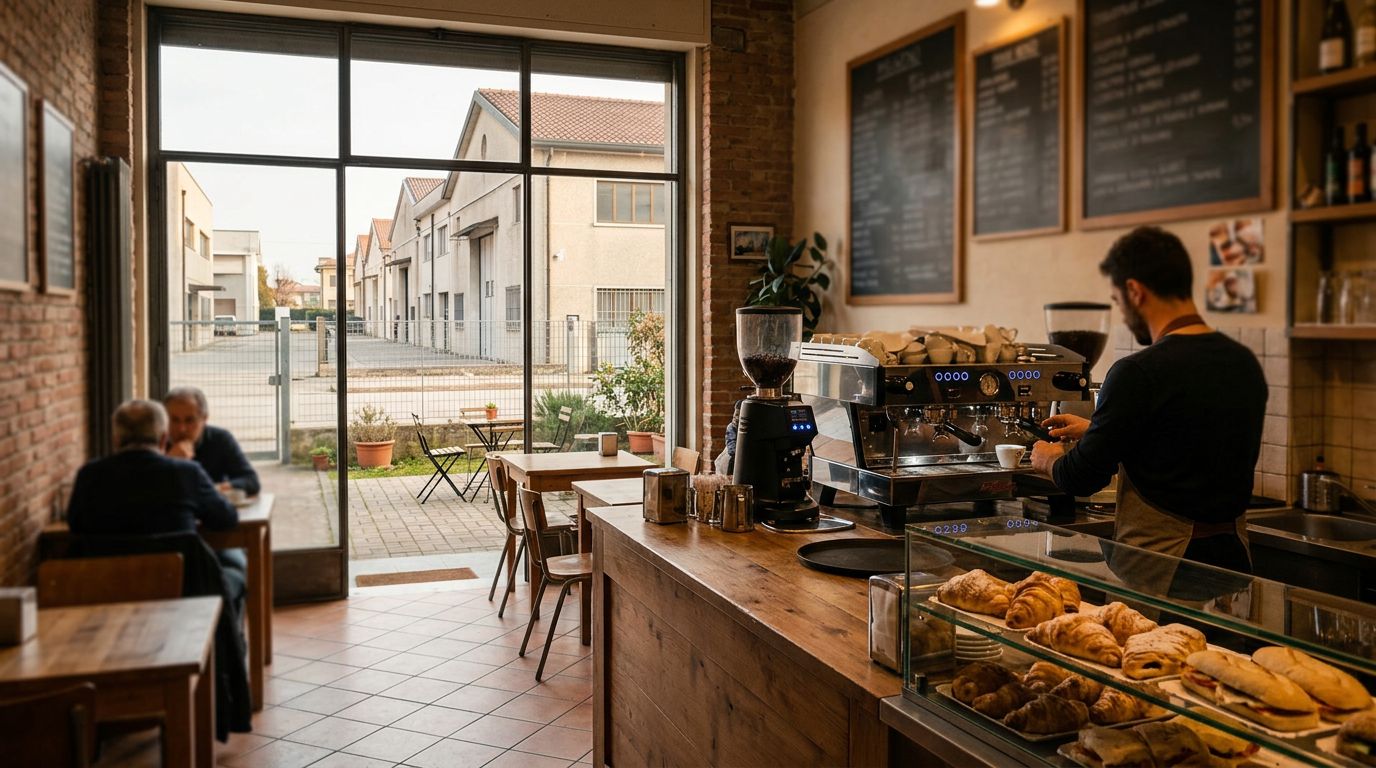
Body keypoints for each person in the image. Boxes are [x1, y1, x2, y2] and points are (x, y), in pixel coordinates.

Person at [1029, 226, 1267, 575]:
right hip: (1233, 562)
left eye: (1117, 301)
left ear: (1135, 291)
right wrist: (1098, 429)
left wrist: (1049, 459)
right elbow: (1186, 440)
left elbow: (1081, 478)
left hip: (1163, 566)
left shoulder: (1137, 372)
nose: (1122, 314)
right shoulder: (1243, 362)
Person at [68, 400, 238, 536]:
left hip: (107, 577)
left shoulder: (88, 475)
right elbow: (226, 519)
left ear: (116, 440)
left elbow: (75, 525)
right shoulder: (187, 472)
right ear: (164, 439)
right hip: (178, 577)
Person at [164, 385, 260, 497]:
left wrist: (215, 489)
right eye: (174, 420)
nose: (181, 429)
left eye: (189, 420)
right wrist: (168, 463)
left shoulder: (220, 439)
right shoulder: (155, 441)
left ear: (204, 419)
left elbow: (250, 481)